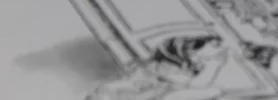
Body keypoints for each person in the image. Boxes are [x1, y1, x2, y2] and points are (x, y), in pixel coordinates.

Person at [85, 35, 229, 100]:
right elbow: (196, 86)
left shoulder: (192, 64)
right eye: (215, 45)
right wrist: (215, 65)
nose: (221, 49)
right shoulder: (162, 67)